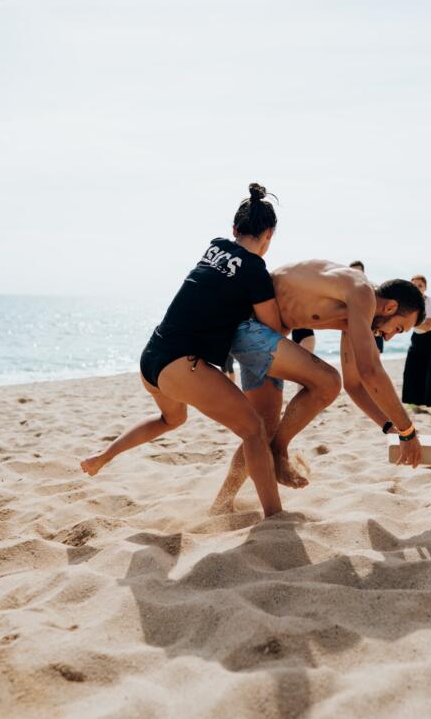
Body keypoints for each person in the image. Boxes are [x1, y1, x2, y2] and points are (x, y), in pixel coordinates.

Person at [80, 184, 285, 518]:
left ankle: (103, 456)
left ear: (234, 230)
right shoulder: (255, 270)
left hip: (151, 358)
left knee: (170, 418)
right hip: (181, 365)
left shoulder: (216, 247)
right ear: (269, 235)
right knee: (254, 429)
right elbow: (272, 327)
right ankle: (273, 515)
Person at [211, 259, 425, 514]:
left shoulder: (356, 316)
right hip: (244, 325)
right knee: (327, 382)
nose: (389, 337)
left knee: (262, 429)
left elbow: (355, 385)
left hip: (263, 336)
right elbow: (371, 371)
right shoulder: (361, 291)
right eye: (397, 329)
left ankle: (221, 504)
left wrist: (389, 427)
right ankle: (279, 451)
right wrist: (407, 431)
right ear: (390, 307)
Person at [402, 275, 431, 414]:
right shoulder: (407, 305)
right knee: (412, 369)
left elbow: (427, 325)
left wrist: (407, 325)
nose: (417, 288)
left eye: (420, 285)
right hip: (418, 339)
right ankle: (414, 402)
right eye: (414, 285)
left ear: (425, 288)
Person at [350, 260, 384, 353]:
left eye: (358, 271)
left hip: (373, 331)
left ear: (363, 273)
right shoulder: (347, 292)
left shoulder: (374, 288)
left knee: (374, 363)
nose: (356, 274)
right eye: (352, 272)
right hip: (355, 333)